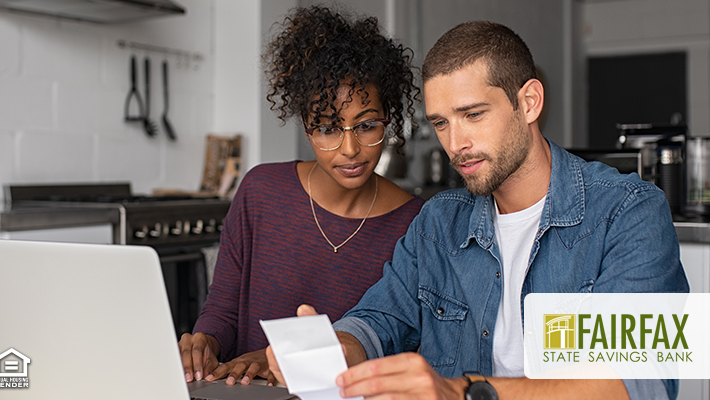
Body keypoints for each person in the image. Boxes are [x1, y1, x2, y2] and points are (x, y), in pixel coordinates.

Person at [267, 20, 689, 399]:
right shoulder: (438, 222)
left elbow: (640, 384)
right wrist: (337, 346)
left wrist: (463, 392)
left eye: (472, 114)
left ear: (529, 103)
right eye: (441, 122)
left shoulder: (628, 212)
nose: (455, 143)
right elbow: (379, 319)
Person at [179, 5, 425, 387]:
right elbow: (223, 311)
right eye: (327, 128)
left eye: (366, 125)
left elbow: (398, 344)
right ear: (307, 129)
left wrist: (278, 360)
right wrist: (205, 342)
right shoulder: (260, 192)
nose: (349, 149)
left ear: (387, 121)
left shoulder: (415, 223)